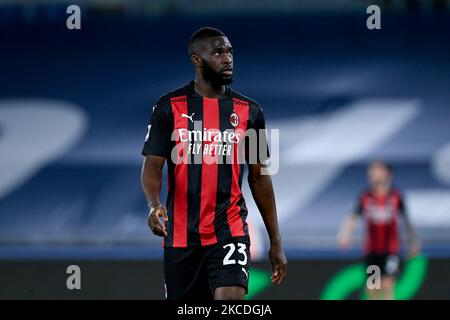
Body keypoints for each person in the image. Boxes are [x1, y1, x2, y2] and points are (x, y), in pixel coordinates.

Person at [140, 27, 287, 300]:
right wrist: (154, 204)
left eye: (230, 52)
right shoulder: (168, 107)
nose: (228, 58)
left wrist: (275, 241)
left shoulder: (249, 112)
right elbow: (152, 165)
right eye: (218, 52)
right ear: (197, 60)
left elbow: (259, 177)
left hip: (229, 230)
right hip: (181, 236)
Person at [337, 161, 421, 300]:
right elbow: (352, 217)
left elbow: (406, 220)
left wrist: (413, 241)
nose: (372, 175)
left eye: (376, 171)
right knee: (373, 287)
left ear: (387, 174)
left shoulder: (396, 196)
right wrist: (345, 234)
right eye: (371, 172)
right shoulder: (365, 196)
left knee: (387, 284)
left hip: (391, 250)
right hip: (372, 252)